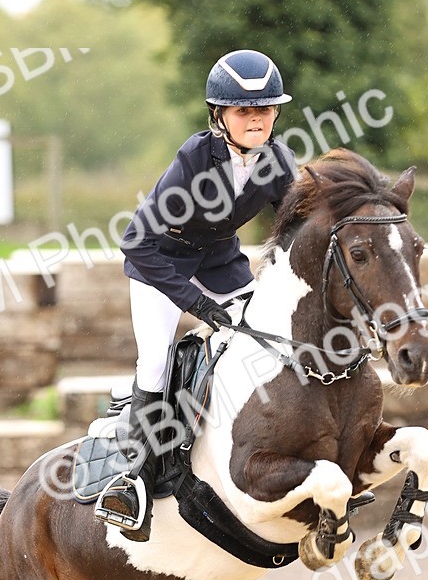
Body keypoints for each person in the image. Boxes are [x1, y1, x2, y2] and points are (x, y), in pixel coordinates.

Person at [95, 48, 297, 542]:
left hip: (220, 262)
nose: (257, 119)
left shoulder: (278, 160)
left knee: (267, 339)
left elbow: (296, 228)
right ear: (219, 115)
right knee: (155, 362)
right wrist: (193, 302)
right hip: (160, 265)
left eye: (265, 109)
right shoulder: (194, 159)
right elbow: (135, 241)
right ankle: (134, 482)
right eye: (244, 110)